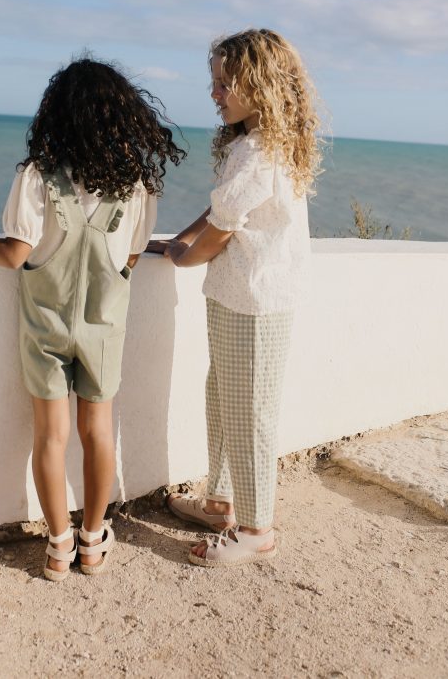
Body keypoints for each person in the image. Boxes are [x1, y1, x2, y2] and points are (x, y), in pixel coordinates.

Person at [0, 55, 186, 581]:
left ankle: (57, 546)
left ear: (57, 114)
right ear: (123, 117)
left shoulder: (38, 176)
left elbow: (15, 254)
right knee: (99, 434)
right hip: (104, 330)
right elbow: (131, 257)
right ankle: (93, 542)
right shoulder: (136, 184)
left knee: (50, 437)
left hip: (45, 329)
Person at [151, 28, 322, 568]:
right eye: (216, 82)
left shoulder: (259, 153)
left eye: (226, 84)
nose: (215, 93)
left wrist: (182, 256)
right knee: (222, 396)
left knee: (247, 411)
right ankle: (223, 500)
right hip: (239, 295)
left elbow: (221, 232)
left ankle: (255, 529)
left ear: (261, 86)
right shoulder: (261, 144)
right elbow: (221, 211)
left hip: (255, 298)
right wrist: (183, 235)